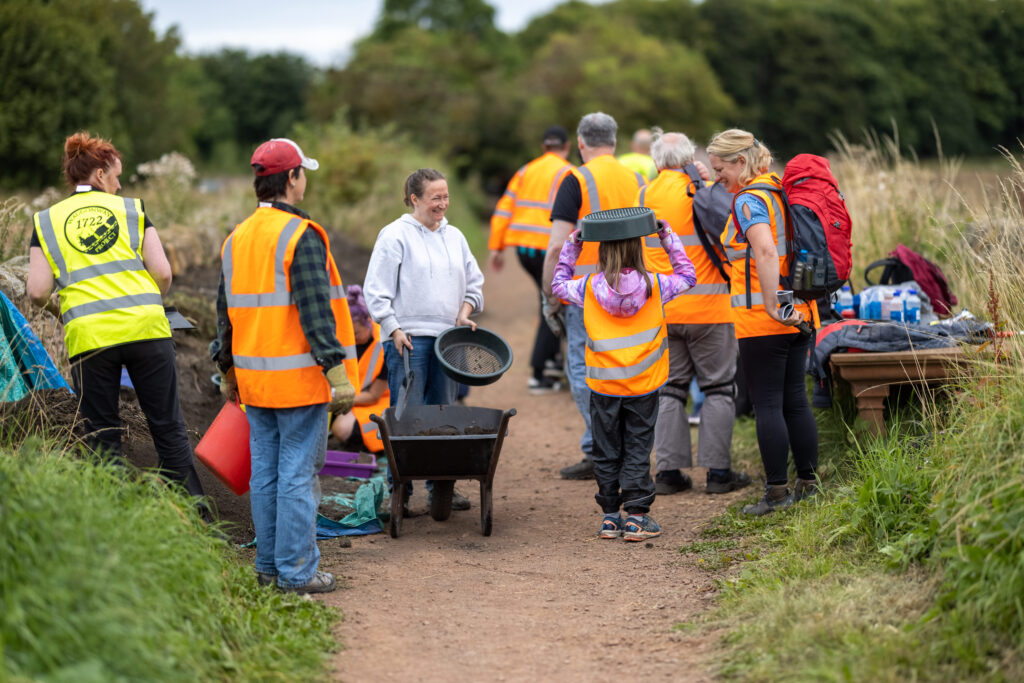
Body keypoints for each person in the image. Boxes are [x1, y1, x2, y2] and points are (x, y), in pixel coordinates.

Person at [27, 131, 207, 512]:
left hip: (90, 338)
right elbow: (163, 273)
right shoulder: (132, 210)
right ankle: (197, 519)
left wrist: (67, 312)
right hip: (147, 330)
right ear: (98, 174)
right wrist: (142, 301)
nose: (120, 184)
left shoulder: (45, 221)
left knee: (103, 435)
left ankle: (112, 521)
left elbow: (37, 291)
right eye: (115, 176)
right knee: (168, 427)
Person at [213, 137, 357, 593]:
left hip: (255, 383)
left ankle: (269, 568)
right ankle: (297, 572)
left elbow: (225, 314)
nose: (305, 180)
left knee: (268, 475)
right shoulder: (301, 235)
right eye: (303, 173)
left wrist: (227, 372)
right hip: (297, 382)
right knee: (297, 476)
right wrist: (337, 372)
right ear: (292, 178)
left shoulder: (237, 238)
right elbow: (317, 311)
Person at [552, 220, 696, 540]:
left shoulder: (588, 287)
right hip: (644, 383)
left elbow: (558, 284)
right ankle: (636, 516)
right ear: (637, 249)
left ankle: (609, 517)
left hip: (604, 385)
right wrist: (666, 236)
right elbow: (688, 276)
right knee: (637, 447)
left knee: (606, 449)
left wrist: (574, 243)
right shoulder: (656, 286)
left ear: (603, 252)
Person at [707, 129, 819, 515]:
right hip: (800, 312)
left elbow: (767, 250)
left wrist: (772, 305)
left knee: (768, 404)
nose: (716, 177)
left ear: (740, 162)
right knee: (795, 400)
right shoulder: (778, 189)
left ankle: (776, 493)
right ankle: (808, 483)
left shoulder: (749, 200)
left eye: (720, 169)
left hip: (765, 319)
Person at [637, 130, 752, 495]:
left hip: (662, 309)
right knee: (718, 388)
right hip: (711, 306)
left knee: (669, 390)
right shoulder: (702, 189)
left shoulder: (643, 195)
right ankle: (718, 474)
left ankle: (668, 474)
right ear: (690, 158)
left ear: (656, 162)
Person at [364, 168, 484, 512]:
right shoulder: (394, 236)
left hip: (447, 341)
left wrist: (464, 313)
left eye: (446, 197)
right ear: (415, 199)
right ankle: (399, 492)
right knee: (407, 418)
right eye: (435, 197)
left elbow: (474, 284)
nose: (442, 204)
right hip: (408, 341)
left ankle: (441, 488)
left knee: (443, 415)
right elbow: (377, 291)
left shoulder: (455, 237)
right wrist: (393, 327)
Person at [543, 112, 647, 480]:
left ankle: (602, 450)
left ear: (581, 142)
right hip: (636, 292)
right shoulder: (637, 178)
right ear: (615, 142)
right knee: (628, 369)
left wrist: (550, 295)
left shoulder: (576, 179)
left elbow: (557, 246)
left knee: (584, 371)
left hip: (588, 295)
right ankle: (614, 448)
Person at [488, 125, 574, 394]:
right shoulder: (568, 172)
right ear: (567, 146)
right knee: (552, 303)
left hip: (524, 250)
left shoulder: (525, 170)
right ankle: (540, 371)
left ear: (543, 146)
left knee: (547, 301)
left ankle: (551, 362)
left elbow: (504, 208)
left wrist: (497, 246)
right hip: (549, 249)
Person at [330, 285, 389, 454]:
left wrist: (338, 399)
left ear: (369, 322)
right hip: (351, 397)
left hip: (378, 402)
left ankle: (368, 447)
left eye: (356, 334)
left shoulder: (384, 346)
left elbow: (373, 396)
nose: (352, 339)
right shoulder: (344, 341)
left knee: (342, 428)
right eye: (349, 334)